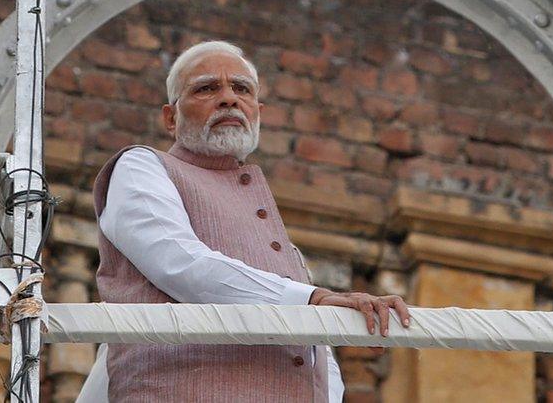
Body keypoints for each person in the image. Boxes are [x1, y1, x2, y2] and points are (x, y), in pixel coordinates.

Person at [77, 40, 410, 402]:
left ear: (257, 112)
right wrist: (311, 299)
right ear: (170, 118)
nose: (228, 99)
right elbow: (178, 262)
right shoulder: (142, 166)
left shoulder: (281, 242)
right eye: (206, 88)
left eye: (241, 89)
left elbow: (320, 356)